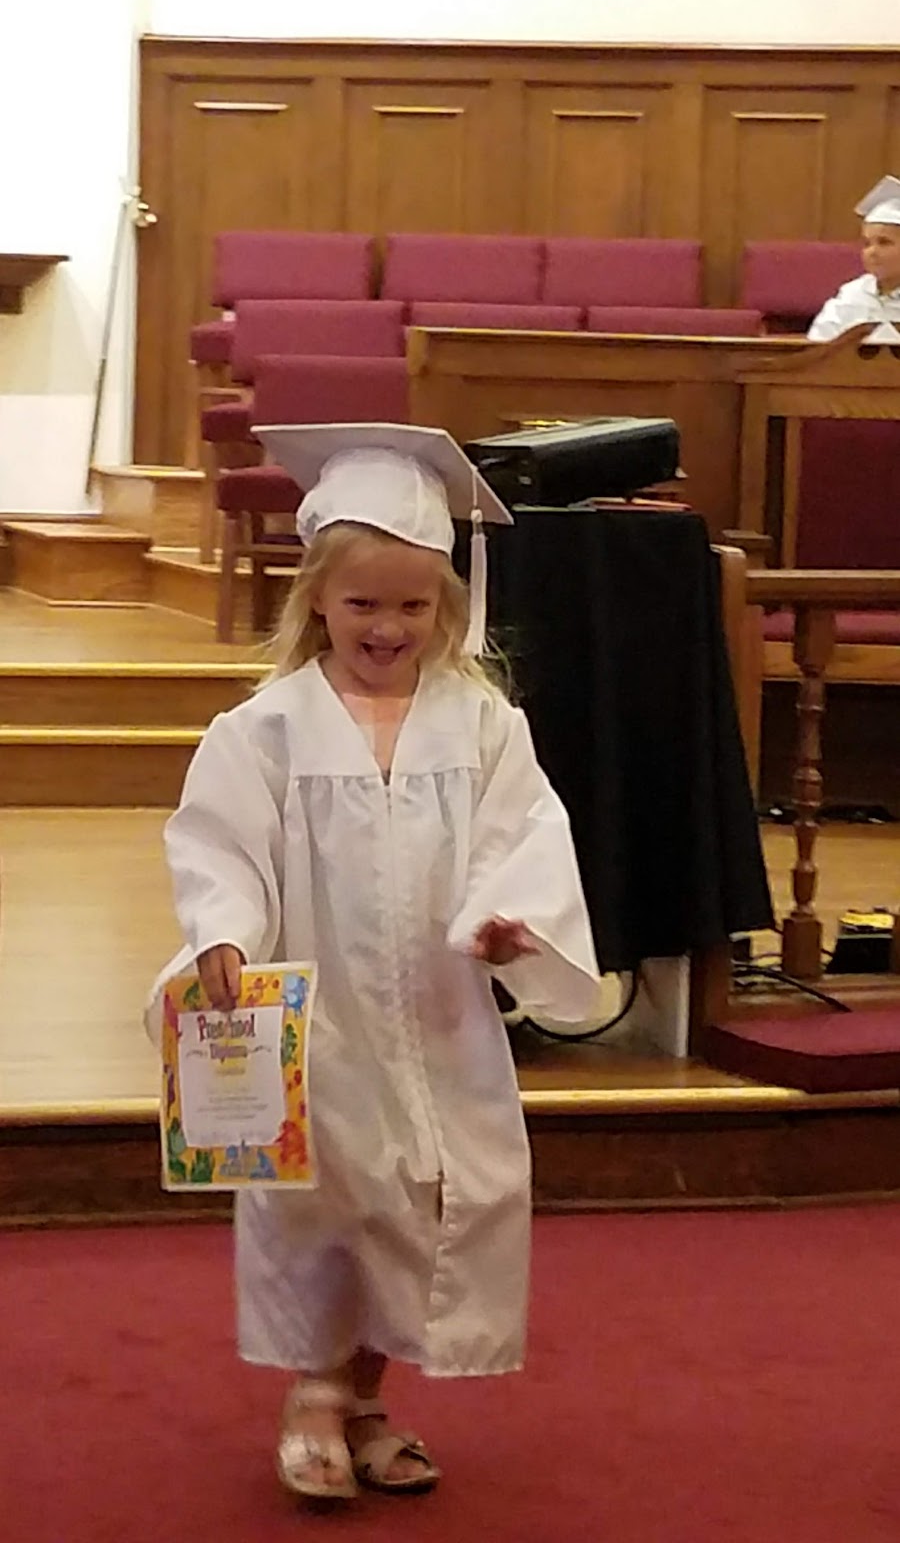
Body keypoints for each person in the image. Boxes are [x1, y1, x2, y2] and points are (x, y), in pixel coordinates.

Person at [147, 423, 608, 1504]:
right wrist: (222, 931)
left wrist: (507, 919)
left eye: (413, 605)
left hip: (440, 1014)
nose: (388, 627)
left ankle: (365, 1397)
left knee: (431, 1198)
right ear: (316, 599)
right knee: (326, 1198)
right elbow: (219, 846)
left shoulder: (484, 725)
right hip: (321, 1015)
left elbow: (522, 837)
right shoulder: (264, 730)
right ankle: (315, 1393)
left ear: (447, 606)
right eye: (363, 604)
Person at [808, 173, 900, 343]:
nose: (872, 252)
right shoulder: (852, 294)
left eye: (884, 242)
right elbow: (818, 345)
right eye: (866, 244)